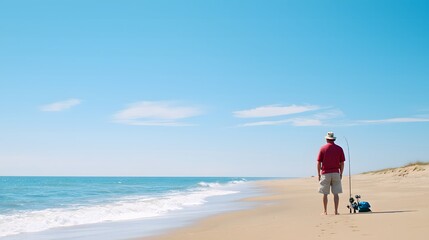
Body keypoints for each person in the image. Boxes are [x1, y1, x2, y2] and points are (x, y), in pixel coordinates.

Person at [317, 132, 345, 215]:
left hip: (325, 173)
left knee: (325, 193)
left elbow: (319, 162)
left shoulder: (323, 148)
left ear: (327, 139)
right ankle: (336, 211)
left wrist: (318, 174)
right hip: (336, 172)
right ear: (334, 139)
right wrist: (341, 173)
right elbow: (342, 163)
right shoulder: (339, 149)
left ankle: (325, 211)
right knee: (335, 193)